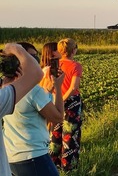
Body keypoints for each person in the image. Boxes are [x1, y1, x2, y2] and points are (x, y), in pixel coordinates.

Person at [2, 43, 65, 176]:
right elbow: (58, 117)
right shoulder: (34, 91)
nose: (35, 61)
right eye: (31, 57)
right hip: (34, 156)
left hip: (11, 156)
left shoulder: (5, 87)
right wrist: (58, 88)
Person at [0, 43, 44, 175]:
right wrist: (14, 48)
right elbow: (36, 73)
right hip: (33, 152)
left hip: (13, 153)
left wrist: (8, 85)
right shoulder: (36, 92)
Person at [49, 38, 83, 171]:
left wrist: (57, 99)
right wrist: (63, 99)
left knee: (55, 133)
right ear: (73, 50)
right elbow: (74, 87)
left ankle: (53, 165)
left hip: (54, 100)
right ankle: (68, 168)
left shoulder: (55, 65)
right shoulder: (76, 66)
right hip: (71, 103)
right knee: (70, 135)